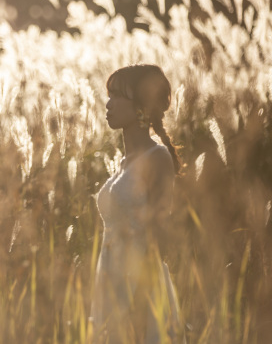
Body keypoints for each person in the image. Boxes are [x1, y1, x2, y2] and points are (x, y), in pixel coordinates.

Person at [91, 64, 183, 343]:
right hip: (110, 277)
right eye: (109, 95)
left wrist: (141, 302)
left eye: (118, 96)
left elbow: (157, 237)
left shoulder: (157, 158)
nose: (109, 104)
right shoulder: (123, 164)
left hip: (139, 283)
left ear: (141, 105)